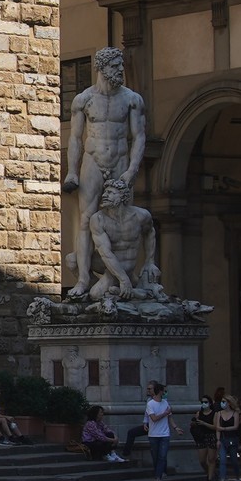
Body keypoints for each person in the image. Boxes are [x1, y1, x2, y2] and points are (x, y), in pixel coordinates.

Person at [62, 46, 146, 299]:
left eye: (120, 66)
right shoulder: (84, 99)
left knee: (123, 221)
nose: (120, 70)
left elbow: (139, 137)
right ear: (101, 68)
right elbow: (75, 138)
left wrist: (132, 170)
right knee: (86, 219)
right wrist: (71, 172)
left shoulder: (132, 99)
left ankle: (125, 277)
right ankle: (84, 280)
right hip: (93, 161)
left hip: (120, 161)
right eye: (114, 66)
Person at [85, 179, 161, 300]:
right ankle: (126, 288)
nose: (104, 195)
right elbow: (106, 253)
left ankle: (124, 290)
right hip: (108, 263)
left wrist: (150, 262)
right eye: (105, 192)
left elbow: (150, 232)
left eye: (110, 193)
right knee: (72, 260)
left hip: (126, 264)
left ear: (122, 196)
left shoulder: (141, 216)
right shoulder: (98, 219)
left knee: (96, 294)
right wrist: (124, 279)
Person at [146, 382, 183, 481]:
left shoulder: (166, 403)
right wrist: (165, 413)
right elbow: (154, 418)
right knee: (155, 456)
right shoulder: (150, 404)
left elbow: (170, 418)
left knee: (162, 456)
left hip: (164, 434)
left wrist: (176, 428)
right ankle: (157, 473)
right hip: (153, 434)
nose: (165, 393)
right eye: (163, 391)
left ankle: (159, 477)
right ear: (160, 391)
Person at [121, 380, 155, 458]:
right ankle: (126, 454)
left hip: (156, 426)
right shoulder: (149, 400)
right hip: (149, 424)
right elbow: (146, 414)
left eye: (150, 389)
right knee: (131, 432)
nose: (148, 390)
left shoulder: (158, 401)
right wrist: (145, 423)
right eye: (148, 389)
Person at [190, 393, 218, 481]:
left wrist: (204, 423)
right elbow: (195, 425)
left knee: (211, 458)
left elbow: (215, 427)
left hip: (211, 436)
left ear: (210, 403)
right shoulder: (199, 413)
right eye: (202, 402)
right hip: (201, 436)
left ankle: (209, 479)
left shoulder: (214, 414)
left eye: (205, 402)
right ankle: (210, 473)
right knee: (202, 460)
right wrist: (194, 423)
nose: (203, 404)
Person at [215, 395, 241, 481]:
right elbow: (217, 428)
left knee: (234, 460)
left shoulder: (235, 413)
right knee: (222, 460)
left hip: (233, 439)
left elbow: (236, 426)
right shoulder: (219, 413)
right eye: (222, 401)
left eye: (224, 401)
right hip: (223, 439)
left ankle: (237, 478)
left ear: (229, 403)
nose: (222, 403)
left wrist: (224, 429)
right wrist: (218, 440)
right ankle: (222, 480)